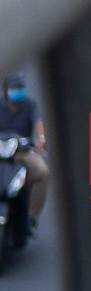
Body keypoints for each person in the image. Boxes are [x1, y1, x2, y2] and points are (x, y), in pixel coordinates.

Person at [0, 73, 47, 234]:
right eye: (14, 88)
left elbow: (38, 124)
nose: (17, 91)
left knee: (42, 173)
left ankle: (31, 218)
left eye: (20, 88)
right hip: (1, 152)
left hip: (22, 150)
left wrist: (40, 139)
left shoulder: (29, 105)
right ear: (6, 90)